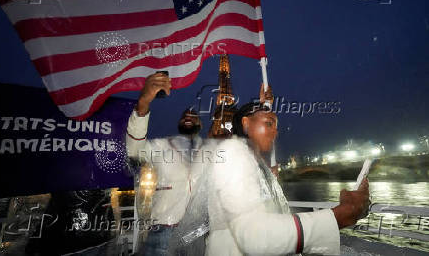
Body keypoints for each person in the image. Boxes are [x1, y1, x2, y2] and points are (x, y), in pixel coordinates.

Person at [203, 96, 370, 255]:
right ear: (245, 124)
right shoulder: (233, 154)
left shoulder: (252, 162)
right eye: (269, 124)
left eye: (276, 127)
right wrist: (338, 216)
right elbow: (255, 236)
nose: (275, 133)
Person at [125, 73, 204, 256]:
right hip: (163, 231)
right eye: (185, 116)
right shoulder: (161, 146)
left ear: (200, 123)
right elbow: (134, 150)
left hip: (197, 233)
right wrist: (143, 105)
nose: (188, 117)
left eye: (194, 116)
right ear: (178, 123)